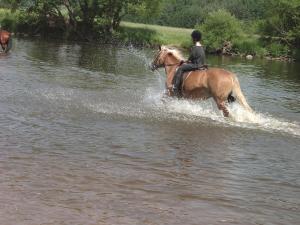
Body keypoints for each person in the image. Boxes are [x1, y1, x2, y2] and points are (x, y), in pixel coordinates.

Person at [172, 30, 206, 97]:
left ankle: (175, 86)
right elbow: (197, 57)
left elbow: (190, 58)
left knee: (181, 68)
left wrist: (184, 61)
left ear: (195, 39)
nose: (192, 39)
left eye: (192, 38)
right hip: (202, 64)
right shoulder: (202, 47)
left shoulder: (195, 47)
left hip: (196, 65)